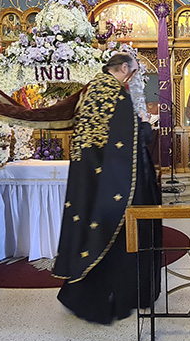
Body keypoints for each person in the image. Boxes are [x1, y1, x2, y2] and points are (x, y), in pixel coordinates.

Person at [54, 53, 162, 324]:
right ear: (124, 68)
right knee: (117, 237)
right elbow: (130, 139)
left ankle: (86, 290)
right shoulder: (115, 94)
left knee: (95, 230)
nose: (135, 77)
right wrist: (146, 127)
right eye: (135, 71)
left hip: (92, 179)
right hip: (115, 182)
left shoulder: (92, 89)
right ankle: (116, 295)